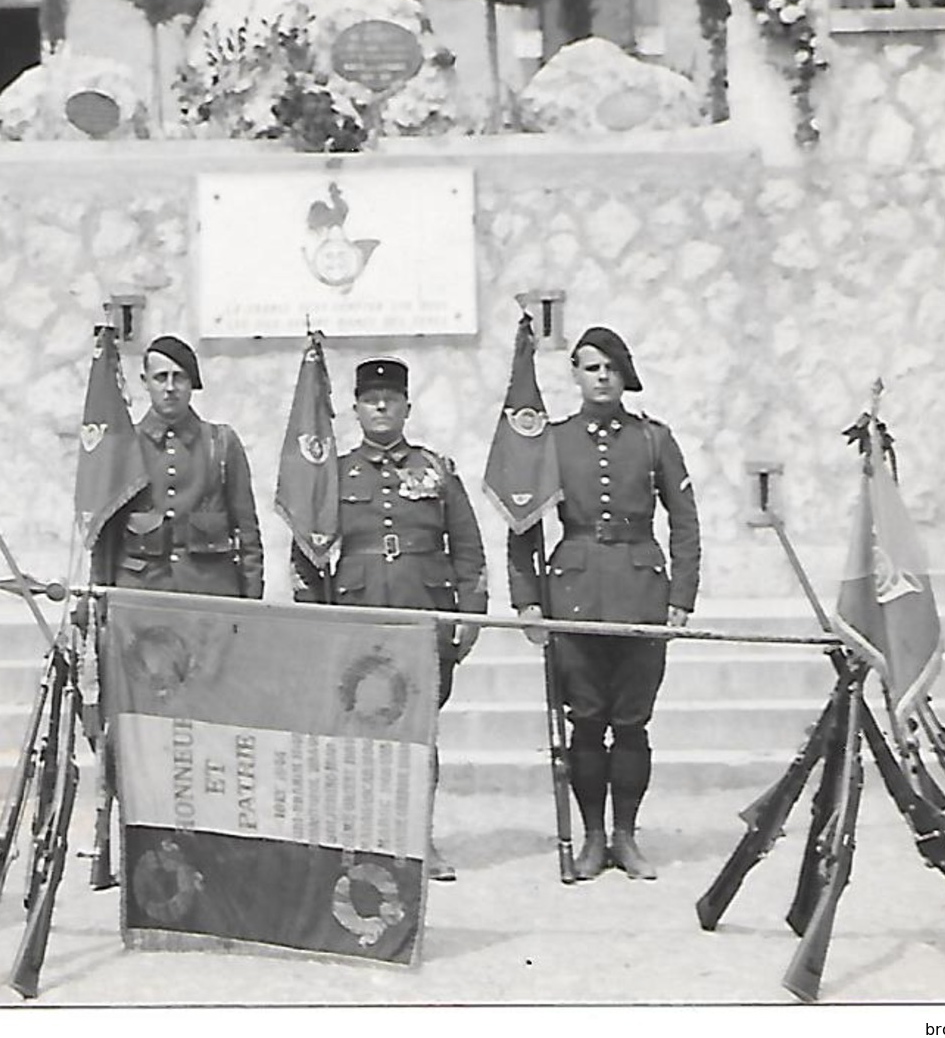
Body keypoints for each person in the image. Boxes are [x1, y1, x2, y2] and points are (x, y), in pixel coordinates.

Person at [508, 327, 700, 882]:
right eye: (591, 367)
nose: (601, 377)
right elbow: (524, 525)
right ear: (575, 373)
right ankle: (592, 838)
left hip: (641, 594)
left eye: (611, 368)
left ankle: (626, 837)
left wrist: (681, 597)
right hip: (574, 595)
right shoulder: (552, 440)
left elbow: (684, 523)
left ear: (625, 375)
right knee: (586, 723)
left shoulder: (653, 440)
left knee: (633, 723)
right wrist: (528, 601)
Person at [290, 357, 487, 881]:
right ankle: (363, 839)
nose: (381, 406)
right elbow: (306, 556)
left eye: (391, 399)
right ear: (355, 409)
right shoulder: (333, 475)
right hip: (358, 624)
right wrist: (314, 623)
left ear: (406, 407)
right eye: (371, 399)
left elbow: (468, 549)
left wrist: (471, 615)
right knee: (359, 736)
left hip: (424, 622)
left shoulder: (436, 471)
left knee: (419, 735)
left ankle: (419, 840)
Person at [94, 335, 263, 598]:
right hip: (142, 596)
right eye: (161, 377)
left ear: (192, 384)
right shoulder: (124, 447)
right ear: (145, 383)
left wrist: (252, 604)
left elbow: (247, 532)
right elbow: (105, 537)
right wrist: (100, 598)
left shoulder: (221, 443)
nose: (170, 387)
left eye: (179, 377)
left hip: (209, 596)